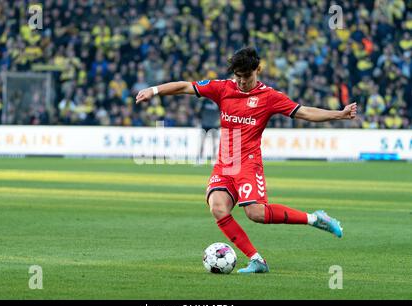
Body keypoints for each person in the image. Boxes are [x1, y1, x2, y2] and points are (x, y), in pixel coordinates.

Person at [136, 47, 357, 274]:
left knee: (256, 213)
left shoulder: (269, 97)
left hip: (249, 163)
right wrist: (154, 90)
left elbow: (304, 112)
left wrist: (339, 114)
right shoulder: (223, 88)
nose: (241, 81)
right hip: (226, 163)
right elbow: (185, 86)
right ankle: (257, 260)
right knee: (218, 207)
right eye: (238, 76)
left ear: (257, 70)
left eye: (246, 76)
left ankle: (315, 219)